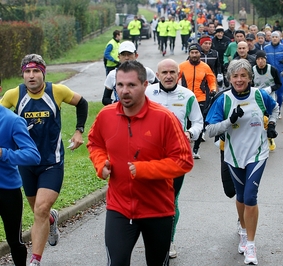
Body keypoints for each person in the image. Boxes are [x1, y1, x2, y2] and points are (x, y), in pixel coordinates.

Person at [87, 60, 194, 266]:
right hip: (119, 208)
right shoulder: (106, 115)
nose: (124, 91)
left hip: (157, 209)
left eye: (131, 85)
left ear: (145, 86)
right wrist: (101, 163)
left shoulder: (165, 118)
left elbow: (184, 161)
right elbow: (94, 143)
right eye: (120, 85)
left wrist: (145, 169)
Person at [0, 54, 88, 266]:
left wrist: (79, 131)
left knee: (40, 208)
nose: (31, 76)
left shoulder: (57, 91)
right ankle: (51, 219)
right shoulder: (13, 95)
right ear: (22, 74)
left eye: (36, 71)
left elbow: (82, 103)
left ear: (43, 73)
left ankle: (35, 261)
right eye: (27, 72)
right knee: (39, 211)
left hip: (51, 162)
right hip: (26, 165)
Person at [205, 59, 279, 266]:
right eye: (235, 76)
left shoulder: (260, 95)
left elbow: (274, 108)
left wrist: (271, 124)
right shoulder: (223, 99)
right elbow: (209, 130)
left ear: (249, 77)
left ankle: (251, 245)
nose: (239, 80)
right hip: (233, 155)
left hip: (257, 153)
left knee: (250, 196)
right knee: (240, 195)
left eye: (243, 76)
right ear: (229, 78)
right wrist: (230, 121)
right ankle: (243, 230)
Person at [145, 59, 203, 259]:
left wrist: (190, 133)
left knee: (171, 200)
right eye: (164, 72)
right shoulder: (147, 93)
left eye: (172, 72)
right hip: (149, 155)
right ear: (158, 75)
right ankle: (150, 237)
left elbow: (198, 121)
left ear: (179, 75)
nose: (168, 76)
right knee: (149, 199)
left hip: (175, 156)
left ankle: (168, 241)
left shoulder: (187, 95)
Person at [0, 105, 41, 266]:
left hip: (7, 191)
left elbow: (33, 155)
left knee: (14, 240)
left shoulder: (12, 120)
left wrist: (3, 153)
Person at [179, 43, 217, 159]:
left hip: (201, 98)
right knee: (187, 124)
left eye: (196, 53)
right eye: (192, 53)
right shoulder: (182, 66)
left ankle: (196, 149)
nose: (194, 55)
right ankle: (186, 148)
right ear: (189, 54)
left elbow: (211, 80)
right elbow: (176, 79)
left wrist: (213, 89)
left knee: (198, 123)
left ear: (200, 53)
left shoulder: (205, 67)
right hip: (186, 98)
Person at [102, 41, 158, 106]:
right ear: (119, 57)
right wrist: (118, 103)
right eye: (123, 55)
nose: (126, 58)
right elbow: (105, 99)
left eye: (129, 54)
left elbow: (159, 88)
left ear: (136, 55)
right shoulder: (112, 74)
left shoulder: (146, 71)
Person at [253, 50, 282, 151]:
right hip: (257, 98)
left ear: (266, 60)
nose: (260, 61)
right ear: (256, 61)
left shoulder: (272, 69)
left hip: (270, 97)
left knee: (269, 118)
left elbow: (279, 84)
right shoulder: (252, 70)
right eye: (258, 59)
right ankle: (259, 139)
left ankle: (270, 136)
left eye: (262, 59)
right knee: (258, 119)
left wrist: (270, 88)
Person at [264, 31, 283, 117]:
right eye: (273, 37)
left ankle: (278, 110)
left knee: (279, 94)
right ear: (270, 38)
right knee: (269, 92)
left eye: (276, 37)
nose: (274, 38)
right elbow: (264, 59)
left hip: (280, 74)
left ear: (280, 38)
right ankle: (269, 109)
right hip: (269, 74)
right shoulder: (266, 48)